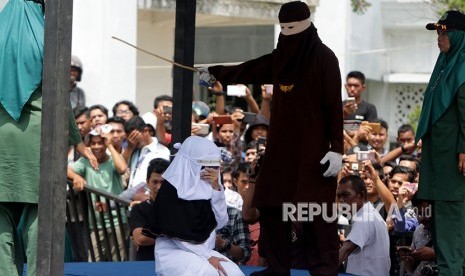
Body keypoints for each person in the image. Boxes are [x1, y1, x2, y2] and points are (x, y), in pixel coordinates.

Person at [201, 1, 343, 274]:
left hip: (314, 154)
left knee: (314, 213)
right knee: (272, 205)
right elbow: (248, 69)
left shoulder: (325, 58)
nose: (288, 34)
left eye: (293, 28)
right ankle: (277, 267)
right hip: (280, 153)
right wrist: (215, 72)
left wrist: (336, 148)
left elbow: (333, 107)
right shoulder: (281, 58)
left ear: (306, 26)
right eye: (283, 29)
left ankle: (324, 268)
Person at [0, 1, 98, 275]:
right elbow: (60, 96)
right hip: (39, 138)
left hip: (1, 143)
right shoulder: (46, 41)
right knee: (39, 211)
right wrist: (78, 141)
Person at [148, 136, 244, 276]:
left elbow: (221, 221)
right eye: (206, 165)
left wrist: (217, 189)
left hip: (205, 251)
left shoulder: (210, 186)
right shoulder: (171, 190)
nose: (210, 170)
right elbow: (179, 235)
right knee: (208, 273)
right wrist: (207, 257)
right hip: (174, 253)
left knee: (234, 273)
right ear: (191, 163)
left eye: (214, 166)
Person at [415, 10, 465, 276]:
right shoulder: (446, 63)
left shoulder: (463, 65)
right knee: (447, 242)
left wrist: (463, 148)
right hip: (441, 168)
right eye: (438, 32)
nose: (439, 38)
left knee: (451, 247)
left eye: (444, 33)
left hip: (453, 173)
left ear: (458, 35)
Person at [67, 128, 128, 261]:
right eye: (93, 143)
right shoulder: (86, 162)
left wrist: (110, 145)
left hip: (117, 221)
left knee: (118, 263)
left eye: (100, 142)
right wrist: (76, 177)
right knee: (93, 262)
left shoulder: (113, 159)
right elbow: (66, 170)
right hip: (96, 223)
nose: (96, 147)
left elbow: (122, 169)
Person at [337, 175, 390, 276]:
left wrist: (324, 270)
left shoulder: (364, 218)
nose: (341, 200)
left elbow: (346, 249)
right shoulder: (371, 214)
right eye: (339, 196)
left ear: (360, 195)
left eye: (346, 195)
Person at [129, 158, 170, 261]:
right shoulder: (139, 209)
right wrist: (176, 234)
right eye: (155, 182)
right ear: (147, 182)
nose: (159, 187)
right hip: (147, 266)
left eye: (163, 182)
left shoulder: (181, 208)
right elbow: (141, 239)